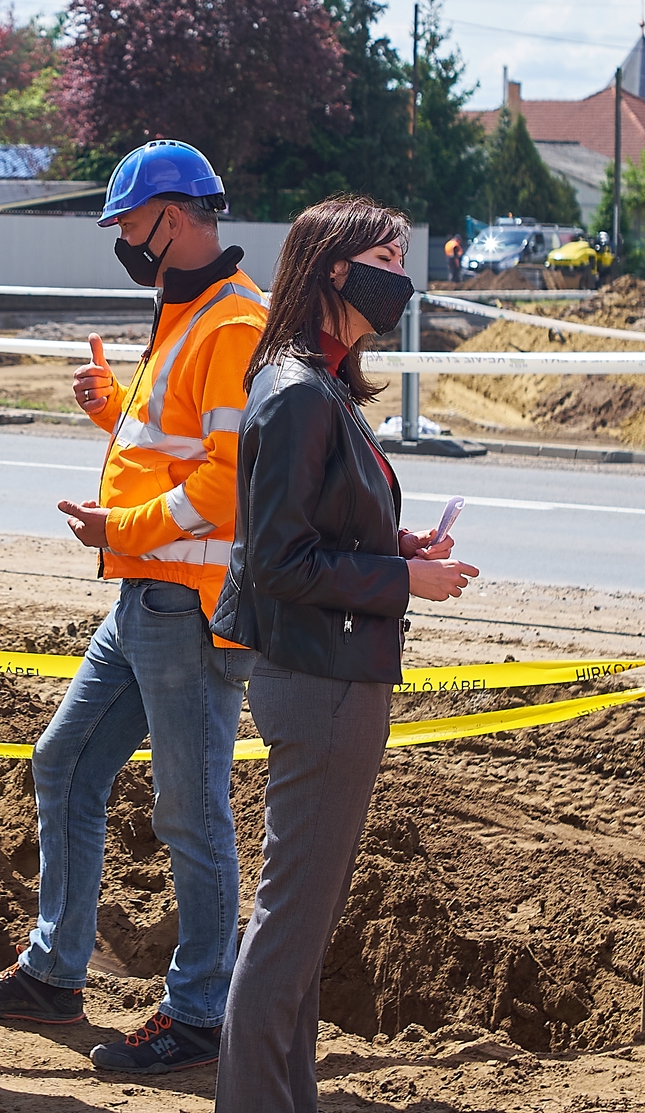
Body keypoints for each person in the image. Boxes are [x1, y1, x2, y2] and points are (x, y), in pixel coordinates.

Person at [0, 139, 266, 1072]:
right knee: (65, 762)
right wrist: (113, 406)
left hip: (187, 602)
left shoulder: (232, 324)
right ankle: (54, 972)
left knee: (190, 812)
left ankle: (202, 1011)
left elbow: (227, 481)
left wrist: (121, 521)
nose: (121, 237)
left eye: (128, 221)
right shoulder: (186, 310)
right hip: (145, 594)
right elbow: (177, 439)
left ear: (174, 216)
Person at [209, 194, 478, 1111]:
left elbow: (308, 531)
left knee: (303, 918)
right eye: (390, 257)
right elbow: (279, 561)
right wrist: (404, 586)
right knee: (289, 922)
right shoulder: (294, 391)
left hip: (330, 670)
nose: (403, 274)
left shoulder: (316, 380)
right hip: (320, 680)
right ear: (336, 268)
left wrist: (393, 552)